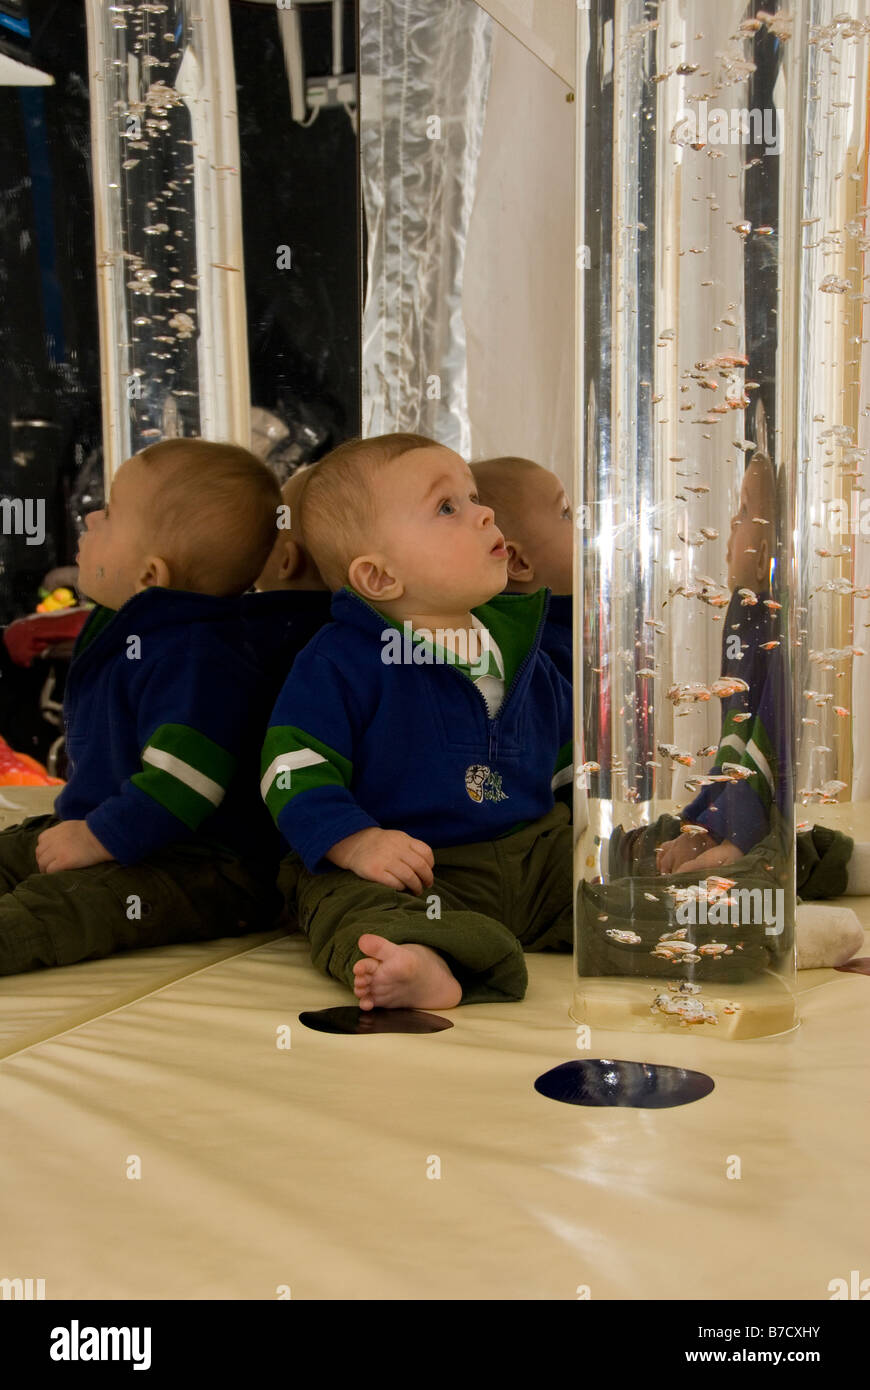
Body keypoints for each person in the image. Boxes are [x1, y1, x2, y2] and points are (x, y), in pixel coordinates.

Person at [261, 432, 574, 1009]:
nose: (484, 514)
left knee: (611, 872)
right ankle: (422, 959)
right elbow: (290, 766)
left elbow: (566, 764)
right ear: (379, 578)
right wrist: (355, 842)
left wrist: (592, 836)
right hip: (418, 874)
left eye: (475, 496)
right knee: (345, 902)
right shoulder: (341, 660)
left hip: (531, 858)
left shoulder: (521, 647)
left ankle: (698, 912)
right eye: (447, 507)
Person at [0, 438, 289, 974]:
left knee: (65, 907)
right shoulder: (131, 623)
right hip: (121, 833)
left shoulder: (196, 655)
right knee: (13, 853)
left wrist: (97, 837)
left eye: (108, 513)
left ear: (151, 575)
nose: (89, 516)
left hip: (202, 864)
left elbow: (187, 779)